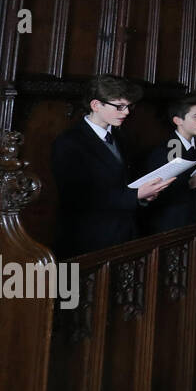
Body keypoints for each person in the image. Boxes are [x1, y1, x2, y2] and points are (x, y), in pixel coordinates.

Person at [51, 75, 174, 257]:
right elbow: (77, 198)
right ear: (95, 105)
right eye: (119, 106)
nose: (126, 112)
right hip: (89, 240)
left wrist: (143, 195)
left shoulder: (120, 136)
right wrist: (135, 196)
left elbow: (124, 181)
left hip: (124, 233)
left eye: (128, 106)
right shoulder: (69, 142)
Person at [140, 93, 196, 235]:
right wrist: (190, 184)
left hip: (195, 218)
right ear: (178, 120)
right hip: (173, 223)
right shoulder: (169, 148)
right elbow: (159, 191)